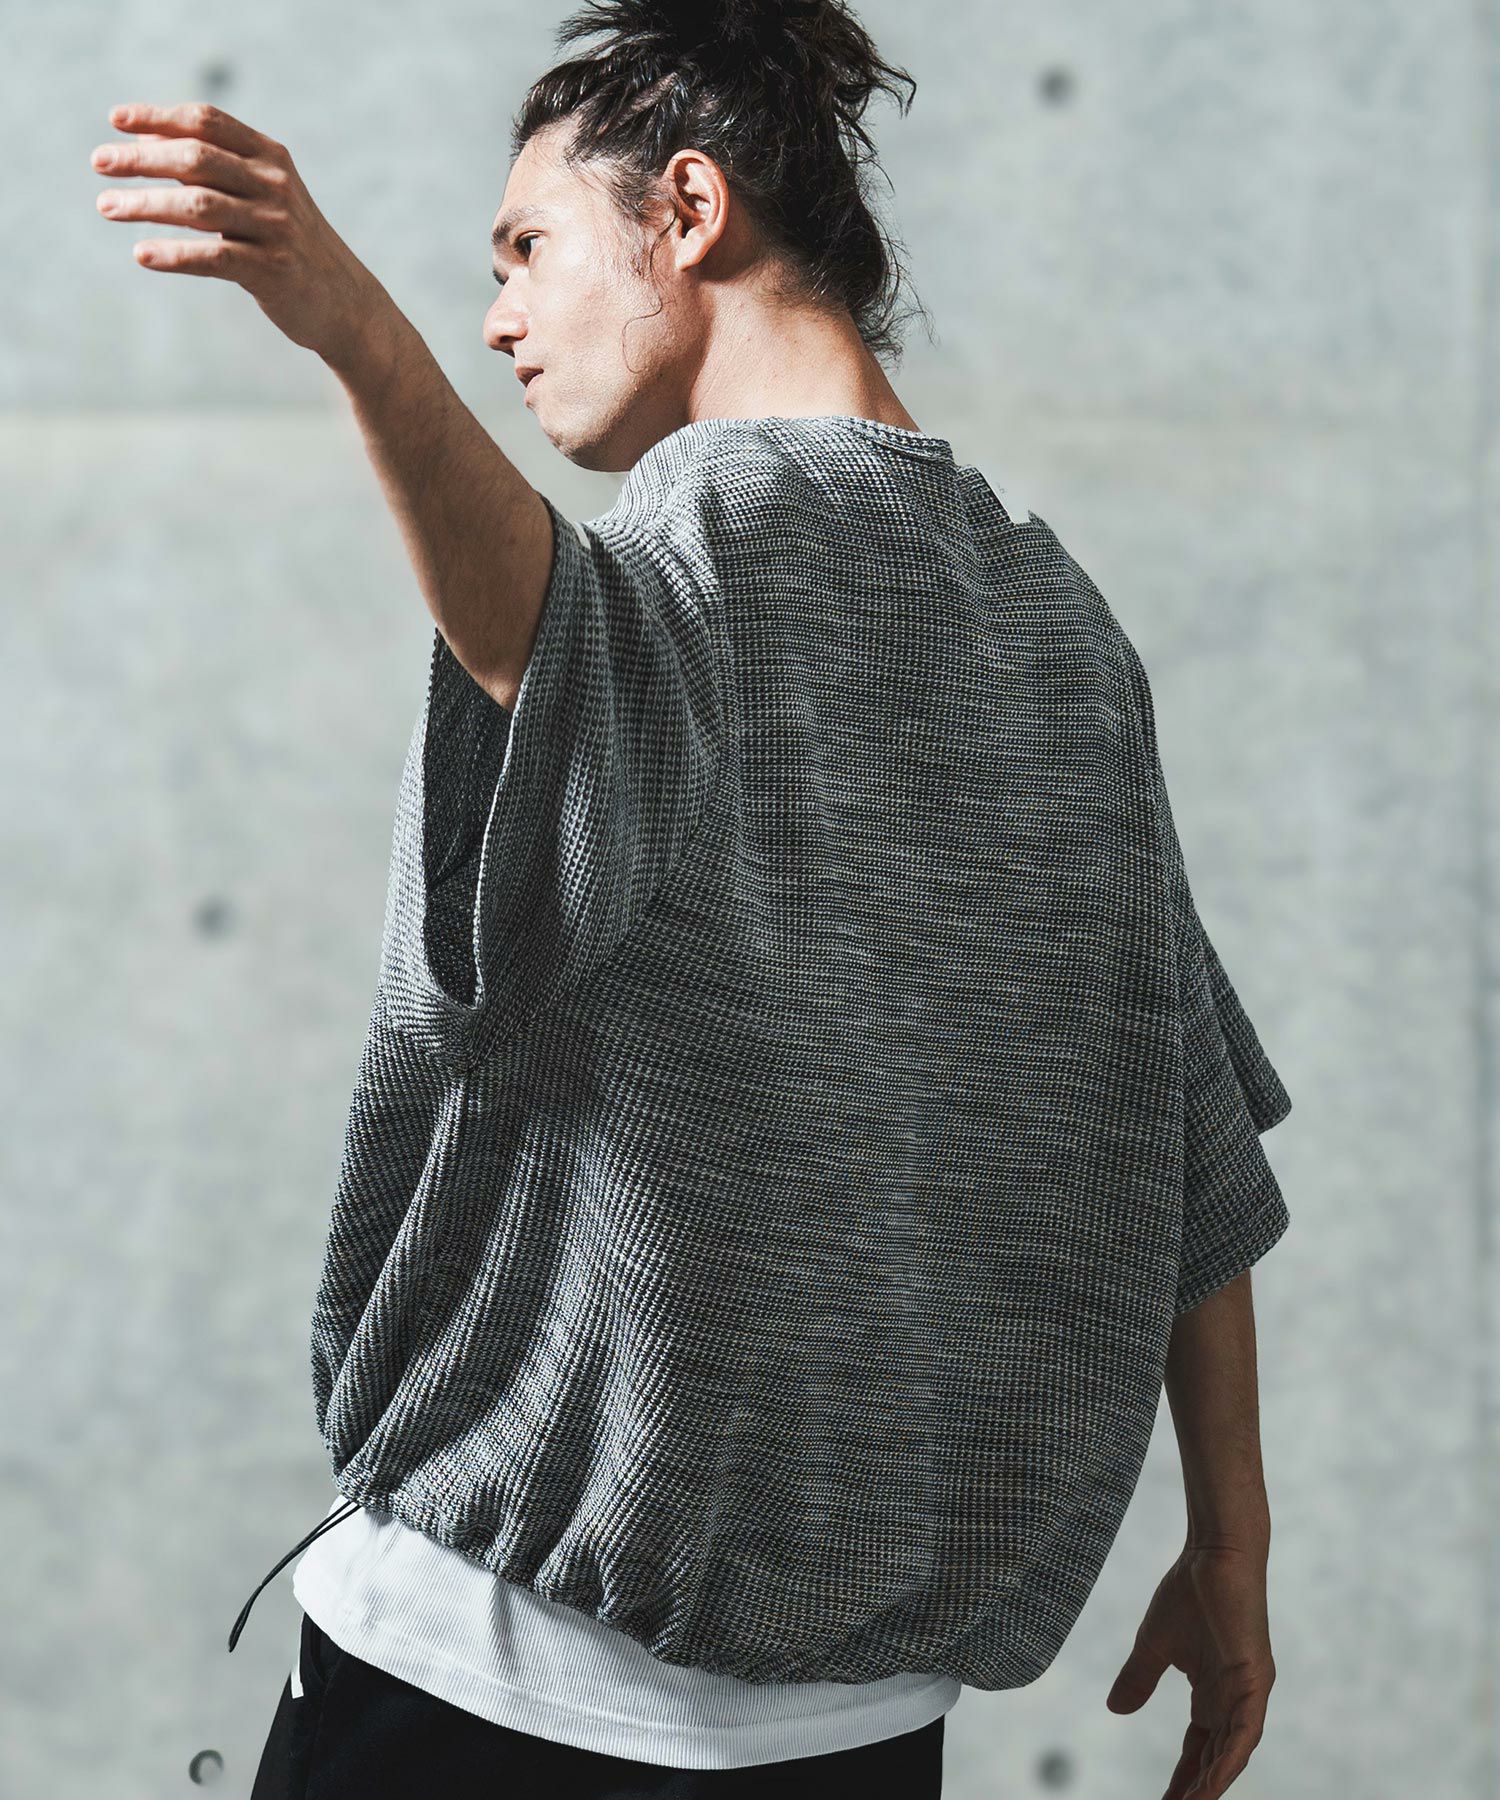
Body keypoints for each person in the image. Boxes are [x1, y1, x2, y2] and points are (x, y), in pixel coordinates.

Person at [92, 3, 1291, 1796]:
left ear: (690, 209)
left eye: (525, 248)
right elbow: (1178, 1139)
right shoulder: (1063, 634)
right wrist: (1233, 1545)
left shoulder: (692, 554)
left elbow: (542, 628)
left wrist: (351, 326)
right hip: (858, 1737)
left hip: (476, 1704)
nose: (498, 315)